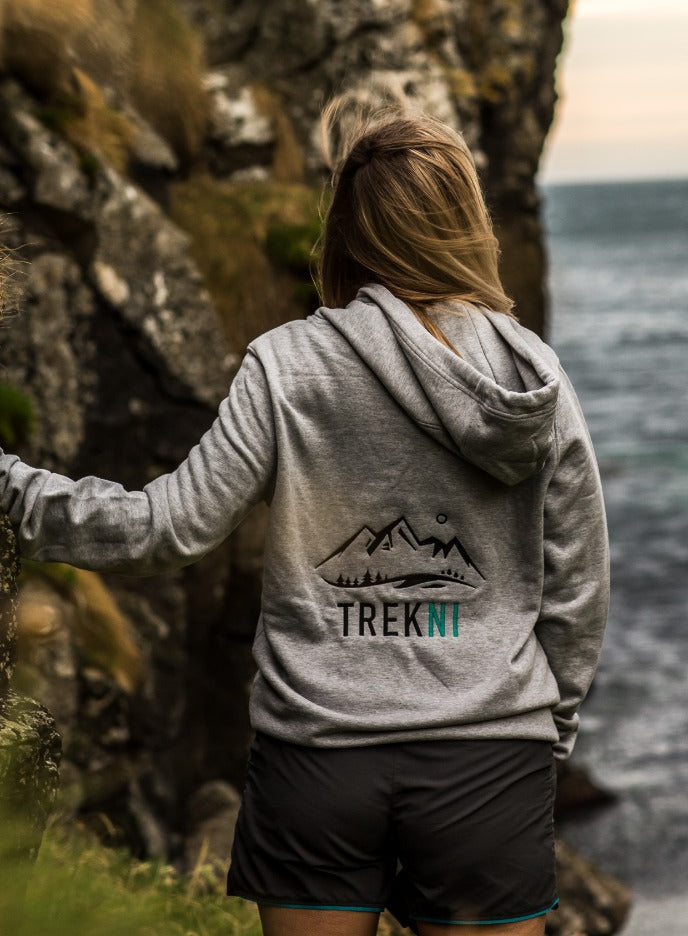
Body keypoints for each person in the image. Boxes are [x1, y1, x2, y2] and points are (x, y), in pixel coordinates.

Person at [0, 95, 611, 936]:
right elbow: (578, 593)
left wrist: (9, 487)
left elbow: (165, 528)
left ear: (350, 230)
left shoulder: (286, 365)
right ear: (465, 221)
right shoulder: (533, 379)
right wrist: (542, 738)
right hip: (487, 759)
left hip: (318, 762)